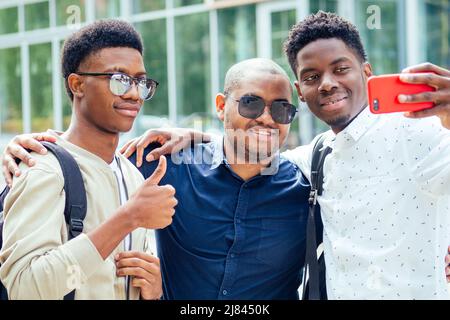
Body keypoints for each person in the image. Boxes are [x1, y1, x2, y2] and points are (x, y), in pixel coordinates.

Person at [108, 12, 450, 299]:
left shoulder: (419, 133)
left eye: (341, 68)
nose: (328, 83)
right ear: (303, 91)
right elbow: (251, 148)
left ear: (367, 72)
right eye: (313, 76)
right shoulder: (315, 160)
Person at [3, 58, 315, 300]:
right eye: (251, 103)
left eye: (282, 109)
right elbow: (93, 155)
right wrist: (41, 147)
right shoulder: (166, 163)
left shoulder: (307, 188)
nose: (266, 117)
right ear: (221, 106)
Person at [0, 19, 177, 300]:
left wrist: (153, 291)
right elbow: (24, 288)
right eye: (119, 80)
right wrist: (127, 218)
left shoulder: (132, 175)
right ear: (78, 84)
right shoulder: (43, 168)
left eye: (140, 82)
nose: (133, 94)